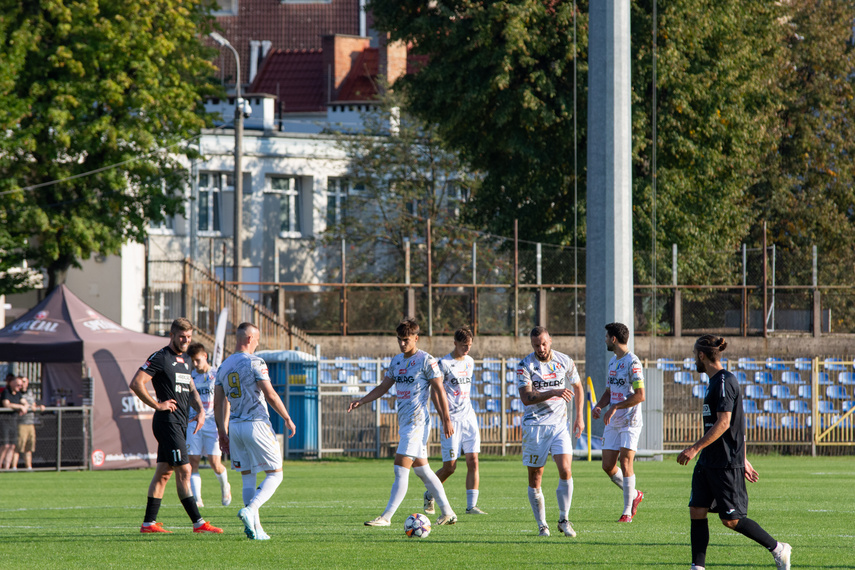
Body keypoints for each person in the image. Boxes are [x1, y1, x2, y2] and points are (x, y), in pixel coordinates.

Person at [677, 335, 791, 570]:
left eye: (693, 355)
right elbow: (740, 424)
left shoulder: (723, 381)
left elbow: (725, 423)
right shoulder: (713, 381)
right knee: (697, 510)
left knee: (731, 520)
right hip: (709, 460)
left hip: (725, 463)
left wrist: (694, 448)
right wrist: (745, 456)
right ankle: (697, 567)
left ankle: (779, 549)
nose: (693, 360)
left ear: (701, 355)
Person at [347, 317, 458, 527]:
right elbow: (383, 387)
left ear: (416, 338)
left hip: (418, 423)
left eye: (406, 339)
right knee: (423, 471)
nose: (402, 343)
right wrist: (361, 401)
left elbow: (439, 390)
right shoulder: (397, 361)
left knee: (400, 468)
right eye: (399, 339)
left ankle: (386, 517)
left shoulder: (426, 360)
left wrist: (446, 419)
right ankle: (448, 512)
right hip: (405, 423)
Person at [129, 317, 222, 534]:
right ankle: (199, 523)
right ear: (172, 335)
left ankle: (148, 524)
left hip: (181, 422)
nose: (185, 340)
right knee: (185, 469)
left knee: (164, 473)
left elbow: (190, 388)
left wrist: (200, 410)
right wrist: (157, 404)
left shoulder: (187, 360)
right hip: (167, 422)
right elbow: (136, 383)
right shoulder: (161, 357)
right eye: (181, 336)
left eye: (188, 337)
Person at [214, 322, 296, 541]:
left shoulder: (223, 367)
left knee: (248, 478)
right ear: (250, 338)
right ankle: (251, 510)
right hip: (257, 423)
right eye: (257, 339)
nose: (258, 344)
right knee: (276, 474)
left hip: (236, 427)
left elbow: (218, 404)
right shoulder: (255, 362)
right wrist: (287, 418)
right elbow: (270, 394)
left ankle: (257, 529)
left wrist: (223, 431)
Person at [517, 325, 584, 538]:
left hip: (559, 426)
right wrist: (553, 391)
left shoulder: (564, 361)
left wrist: (579, 417)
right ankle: (542, 525)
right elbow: (526, 398)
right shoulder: (524, 365)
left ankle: (564, 519)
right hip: (535, 427)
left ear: (550, 340)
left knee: (566, 470)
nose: (541, 348)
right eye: (537, 345)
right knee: (536, 478)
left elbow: (578, 387)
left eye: (544, 343)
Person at [424, 327, 487, 516]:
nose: (466, 349)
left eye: (469, 346)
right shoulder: (443, 364)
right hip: (451, 420)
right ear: (455, 344)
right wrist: (445, 419)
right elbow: (435, 393)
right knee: (450, 467)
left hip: (469, 418)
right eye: (463, 346)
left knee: (473, 461)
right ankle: (429, 494)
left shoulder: (470, 361)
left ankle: (471, 506)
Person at [592, 322, 645, 522]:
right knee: (607, 465)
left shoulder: (634, 362)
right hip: (613, 422)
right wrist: (599, 406)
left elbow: (640, 395)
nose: (605, 340)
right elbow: (609, 391)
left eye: (606, 337)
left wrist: (614, 407)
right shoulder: (613, 362)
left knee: (625, 462)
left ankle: (626, 512)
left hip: (630, 421)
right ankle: (635, 494)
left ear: (613, 339)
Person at [185, 342, 231, 508]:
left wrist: (223, 426)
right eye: (193, 361)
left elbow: (226, 402)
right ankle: (197, 500)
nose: (195, 364)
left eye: (197, 360)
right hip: (194, 423)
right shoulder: (191, 377)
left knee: (215, 463)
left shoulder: (217, 375)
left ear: (205, 356)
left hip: (212, 423)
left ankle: (225, 486)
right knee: (193, 462)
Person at [17, 376, 46, 471]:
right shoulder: (17, 393)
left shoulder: (30, 392)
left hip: (30, 422)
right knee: (19, 446)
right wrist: (28, 406)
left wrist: (39, 407)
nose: (24, 384)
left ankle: (29, 467)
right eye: (22, 382)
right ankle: (13, 467)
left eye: (25, 381)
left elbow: (33, 405)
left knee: (29, 446)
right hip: (21, 423)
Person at [1, 375, 25, 470]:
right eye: (17, 384)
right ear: (11, 383)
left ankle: (7, 467)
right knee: (5, 445)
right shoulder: (6, 392)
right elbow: (6, 404)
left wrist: (25, 406)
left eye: (20, 385)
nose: (19, 386)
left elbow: (25, 402)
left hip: (14, 422)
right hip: (4, 422)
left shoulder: (19, 394)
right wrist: (19, 407)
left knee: (12, 445)